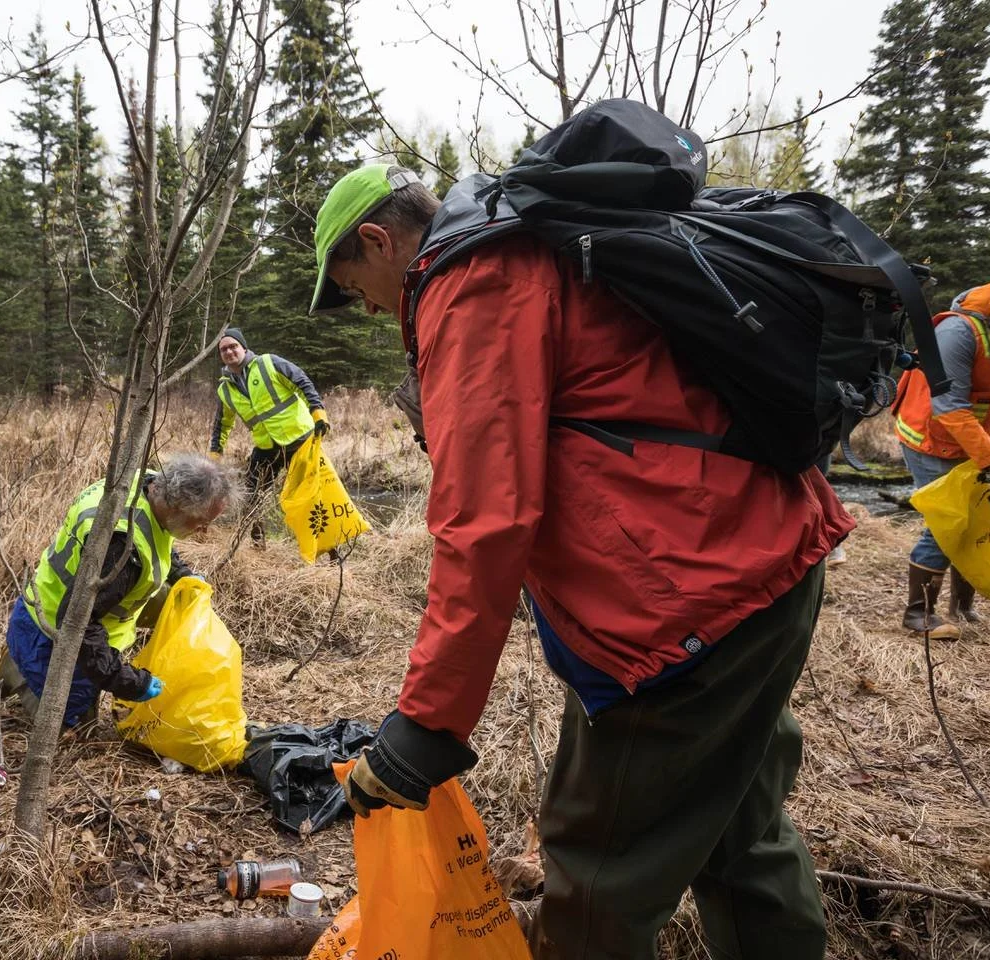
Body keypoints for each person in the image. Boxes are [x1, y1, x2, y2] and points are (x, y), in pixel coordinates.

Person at [310, 164, 853, 960]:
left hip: (685, 605)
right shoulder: (532, 245)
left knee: (597, 865)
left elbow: (485, 521)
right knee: (739, 832)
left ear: (377, 239)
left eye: (356, 286)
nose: (365, 306)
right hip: (762, 558)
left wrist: (426, 726)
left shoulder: (473, 281)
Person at [0, 454, 233, 727]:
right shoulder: (122, 551)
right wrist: (129, 682)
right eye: (200, 521)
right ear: (176, 506)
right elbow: (80, 624)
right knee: (75, 724)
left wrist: (184, 576)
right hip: (50, 626)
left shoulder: (145, 482)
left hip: (65, 597)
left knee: (176, 600)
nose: (204, 531)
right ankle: (18, 671)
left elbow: (158, 537)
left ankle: (26, 660)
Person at [892, 260, 990, 637]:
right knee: (949, 524)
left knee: (982, 520)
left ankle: (961, 608)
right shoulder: (959, 332)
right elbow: (949, 408)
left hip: (988, 437)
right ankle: (918, 615)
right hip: (935, 439)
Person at [208, 327, 329, 545]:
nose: (229, 352)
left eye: (233, 346)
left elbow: (302, 381)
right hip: (266, 447)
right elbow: (222, 425)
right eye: (223, 349)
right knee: (250, 496)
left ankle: (330, 550)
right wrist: (215, 455)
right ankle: (258, 546)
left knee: (313, 496)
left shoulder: (268, 363)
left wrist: (318, 411)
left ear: (244, 347)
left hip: (299, 440)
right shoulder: (225, 389)